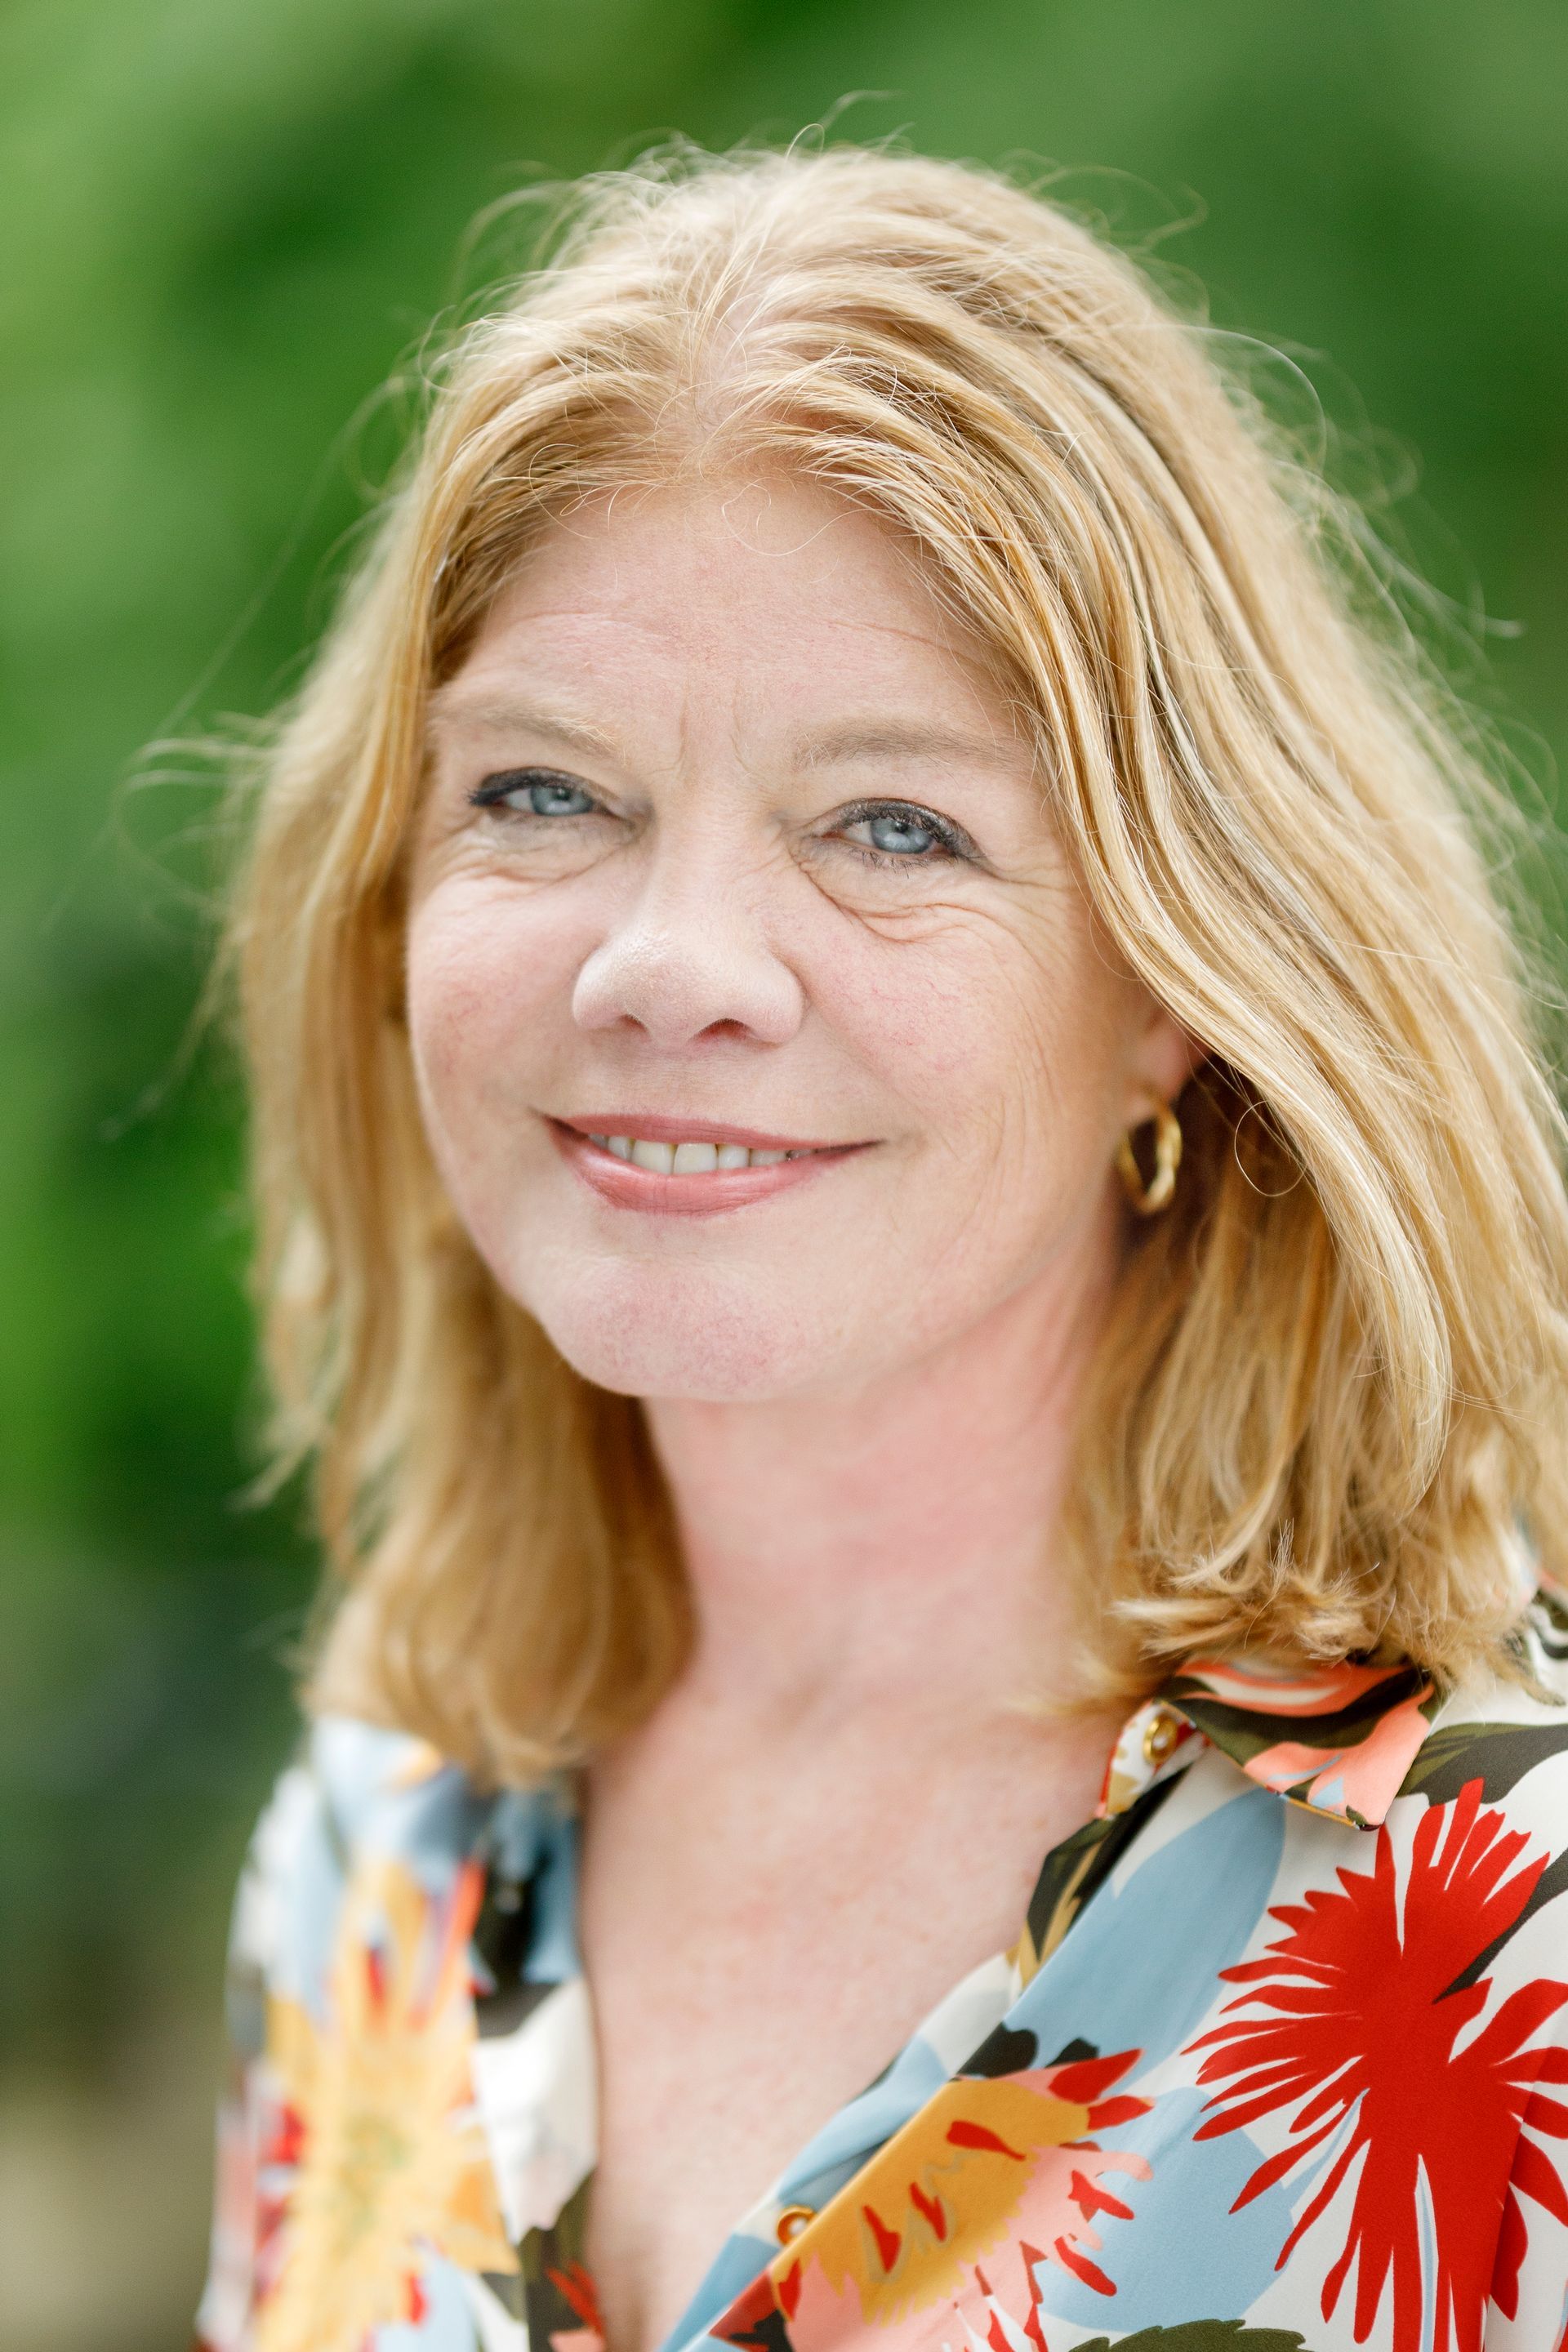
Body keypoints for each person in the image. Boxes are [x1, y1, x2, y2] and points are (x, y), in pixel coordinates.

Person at [194, 145, 1568, 2352]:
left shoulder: (1518, 1912)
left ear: (1172, 988)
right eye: (544, 791)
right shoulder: (378, 1846)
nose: (673, 965)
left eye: (892, 825)